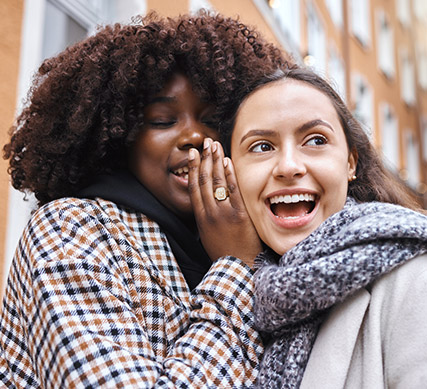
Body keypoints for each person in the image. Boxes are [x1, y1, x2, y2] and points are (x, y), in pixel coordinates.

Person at [0, 12, 287, 388]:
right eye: (163, 121)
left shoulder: (272, 241)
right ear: (122, 138)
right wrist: (235, 266)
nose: (194, 136)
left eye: (213, 119)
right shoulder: (70, 230)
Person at [188, 66, 427, 388]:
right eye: (261, 146)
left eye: (315, 140)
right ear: (228, 170)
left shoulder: (414, 277)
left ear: (350, 162)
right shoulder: (240, 292)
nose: (288, 166)